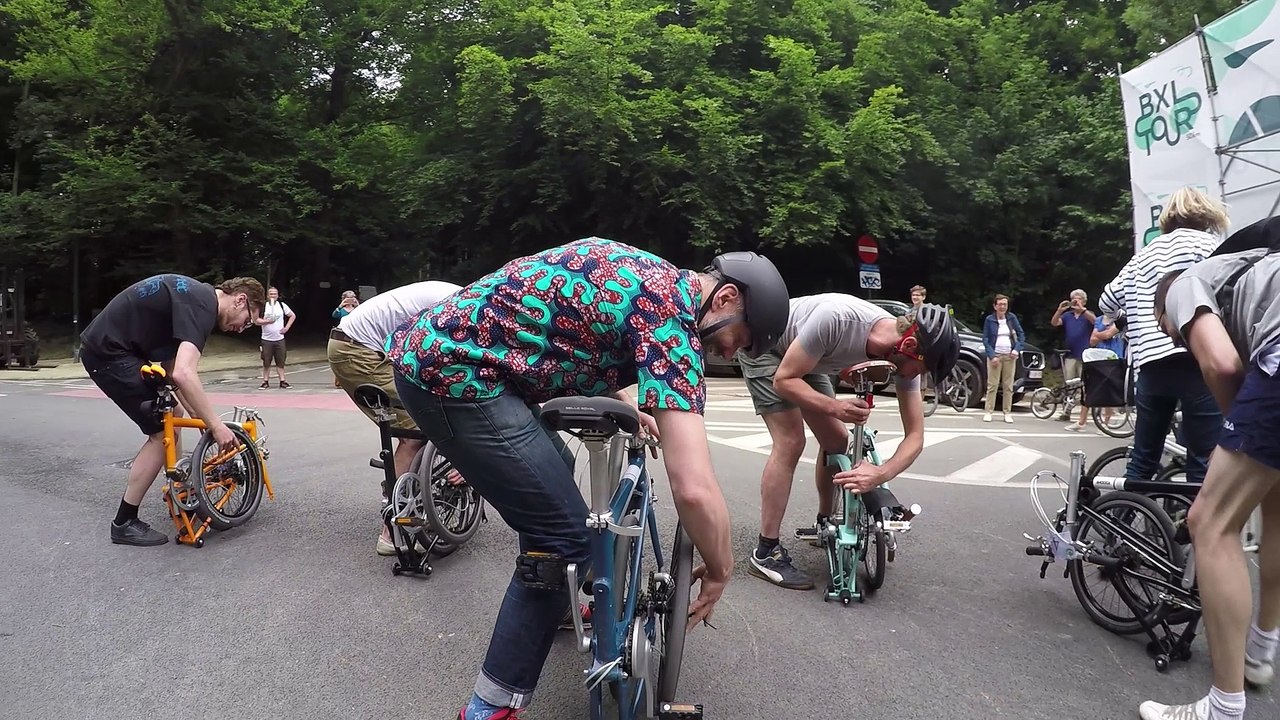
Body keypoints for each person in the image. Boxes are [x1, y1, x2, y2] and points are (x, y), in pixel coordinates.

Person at [385, 237, 789, 720]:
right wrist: (721, 569)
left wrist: (624, 398)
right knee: (562, 540)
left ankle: (556, 601)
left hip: (452, 356)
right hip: (451, 377)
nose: (732, 351)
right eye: (743, 337)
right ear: (725, 297)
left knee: (554, 469)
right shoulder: (671, 322)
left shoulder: (652, 279)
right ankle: (490, 706)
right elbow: (695, 490)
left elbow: (576, 323)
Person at [1140, 247, 1280, 720]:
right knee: (1276, 505)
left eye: (1168, 330)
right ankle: (1260, 652)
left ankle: (1222, 709)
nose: (1175, 338)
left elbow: (1221, 365)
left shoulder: (1182, 285)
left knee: (1211, 522)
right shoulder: (1244, 274)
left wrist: (1235, 430)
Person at [741, 295, 959, 590]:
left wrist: (880, 474)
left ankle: (824, 521)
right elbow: (784, 381)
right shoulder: (837, 320)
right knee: (791, 441)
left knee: (837, 439)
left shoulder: (906, 353)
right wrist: (835, 407)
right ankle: (766, 552)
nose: (915, 378)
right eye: (920, 371)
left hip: (810, 359)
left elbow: (915, 437)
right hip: (769, 346)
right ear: (908, 346)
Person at [78, 274, 266, 546]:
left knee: (173, 415)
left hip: (114, 349)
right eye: (248, 320)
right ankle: (124, 522)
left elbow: (169, 368)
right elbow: (184, 373)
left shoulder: (194, 297)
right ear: (240, 300)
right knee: (160, 433)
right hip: (110, 354)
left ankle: (178, 493)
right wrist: (216, 426)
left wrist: (200, 418)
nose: (242, 329)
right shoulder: (203, 306)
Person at [1099, 186, 1230, 485]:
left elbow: (1106, 302)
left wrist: (1125, 321)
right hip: (1198, 360)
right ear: (1207, 214)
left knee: (1143, 458)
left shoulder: (1143, 255)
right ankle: (1192, 514)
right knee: (1203, 460)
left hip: (1151, 365)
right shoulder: (1210, 245)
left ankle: (1124, 510)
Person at [328, 280, 463, 555]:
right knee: (416, 432)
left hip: (355, 348)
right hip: (361, 352)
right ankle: (392, 532)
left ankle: (401, 494)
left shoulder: (451, 295)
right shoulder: (458, 306)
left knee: (418, 421)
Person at [1051, 289, 1096, 429]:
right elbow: (1054, 323)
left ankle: (1083, 415)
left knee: (1084, 386)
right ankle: (1066, 412)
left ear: (1084, 301)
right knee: (1069, 385)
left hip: (1085, 355)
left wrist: (1082, 310)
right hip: (1070, 354)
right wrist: (1059, 310)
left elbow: (1096, 322)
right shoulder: (1067, 316)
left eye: (1079, 299)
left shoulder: (1088, 314)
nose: (1076, 302)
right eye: (1074, 299)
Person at [981, 293, 1025, 424]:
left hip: (1009, 356)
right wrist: (992, 356)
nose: (1002, 307)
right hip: (995, 356)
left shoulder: (1012, 318)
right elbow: (986, 339)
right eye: (1000, 304)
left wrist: (1016, 349)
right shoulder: (989, 320)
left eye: (1005, 304)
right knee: (992, 385)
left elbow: (1021, 335)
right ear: (995, 306)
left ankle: (1007, 412)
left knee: (1008, 386)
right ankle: (988, 411)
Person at [257, 287, 296, 389]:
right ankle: (265, 381)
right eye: (271, 294)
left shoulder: (282, 306)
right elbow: (256, 320)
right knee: (266, 361)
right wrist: (267, 321)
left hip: (279, 338)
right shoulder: (263, 307)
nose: (273, 296)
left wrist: (286, 328)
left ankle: (282, 381)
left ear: (278, 295)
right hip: (266, 339)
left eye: (275, 294)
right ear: (267, 295)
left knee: (281, 361)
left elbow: (292, 316)